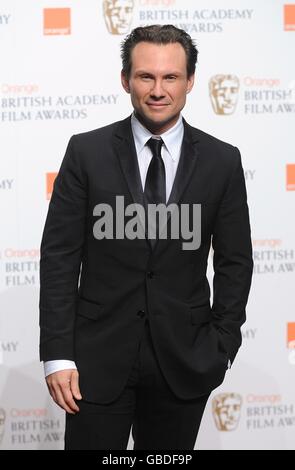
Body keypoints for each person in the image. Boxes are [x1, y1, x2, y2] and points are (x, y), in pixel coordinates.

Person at [39, 24, 253, 450]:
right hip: (95, 362)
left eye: (170, 77)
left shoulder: (222, 160)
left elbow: (235, 261)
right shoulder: (86, 152)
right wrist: (58, 354)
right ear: (126, 80)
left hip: (185, 359)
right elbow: (60, 257)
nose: (158, 89)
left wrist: (222, 344)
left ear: (190, 81)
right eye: (146, 76)